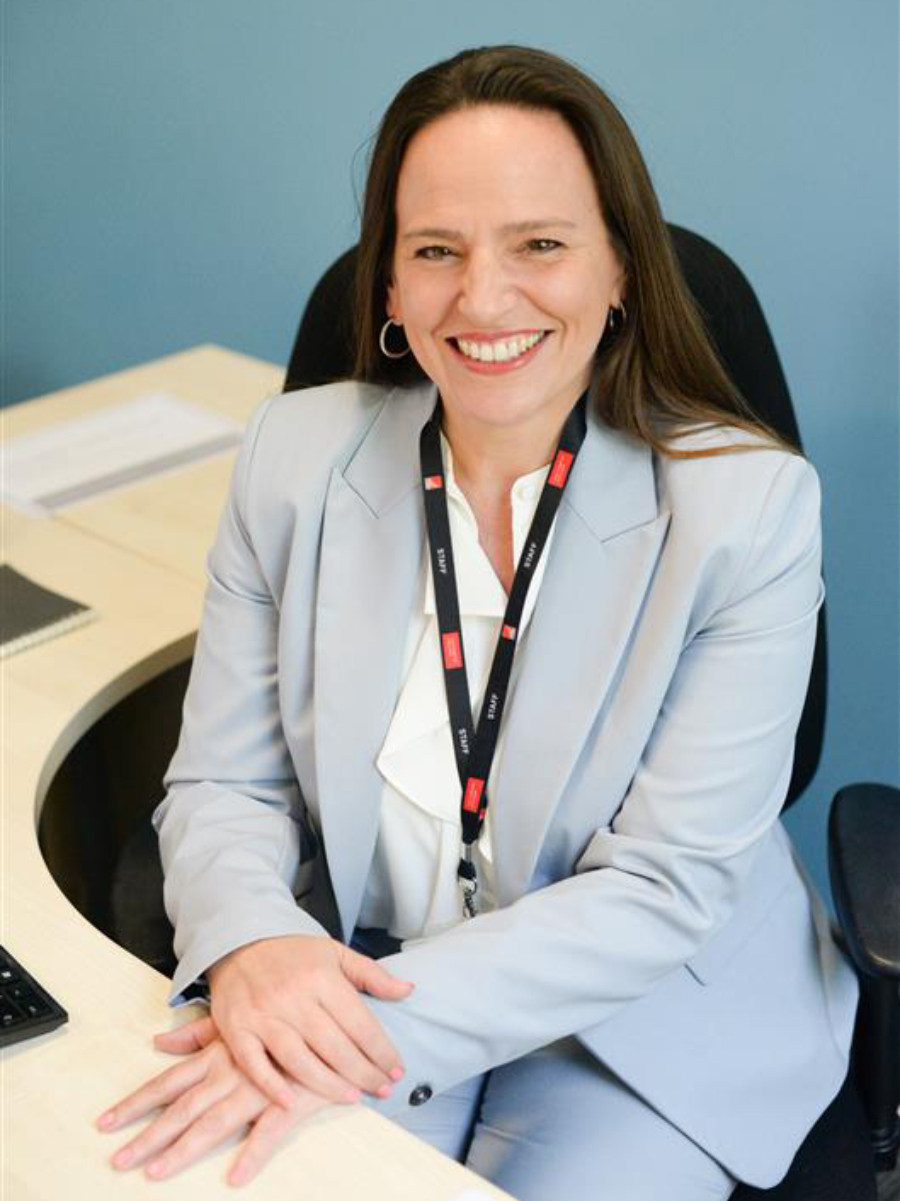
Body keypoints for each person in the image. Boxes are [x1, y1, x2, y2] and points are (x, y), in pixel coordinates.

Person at [97, 44, 858, 1200]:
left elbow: (662, 887)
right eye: (436, 252)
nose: (485, 298)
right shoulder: (293, 460)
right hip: (350, 963)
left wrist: (334, 1025)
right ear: (391, 290)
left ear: (621, 271)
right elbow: (221, 788)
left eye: (541, 245)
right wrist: (254, 945)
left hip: (639, 1025)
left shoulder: (748, 508)